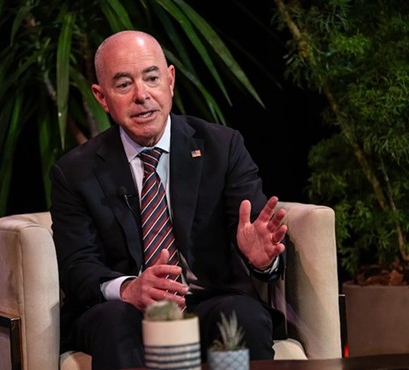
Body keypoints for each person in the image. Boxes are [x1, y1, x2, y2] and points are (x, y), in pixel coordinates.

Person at [50, 30, 288, 370]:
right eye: (123, 85)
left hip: (209, 298)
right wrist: (130, 288)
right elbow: (78, 268)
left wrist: (260, 260)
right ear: (101, 97)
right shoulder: (75, 172)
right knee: (112, 322)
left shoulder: (222, 147)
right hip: (126, 310)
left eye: (151, 78)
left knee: (243, 317)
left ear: (170, 80)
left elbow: (257, 235)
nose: (141, 95)